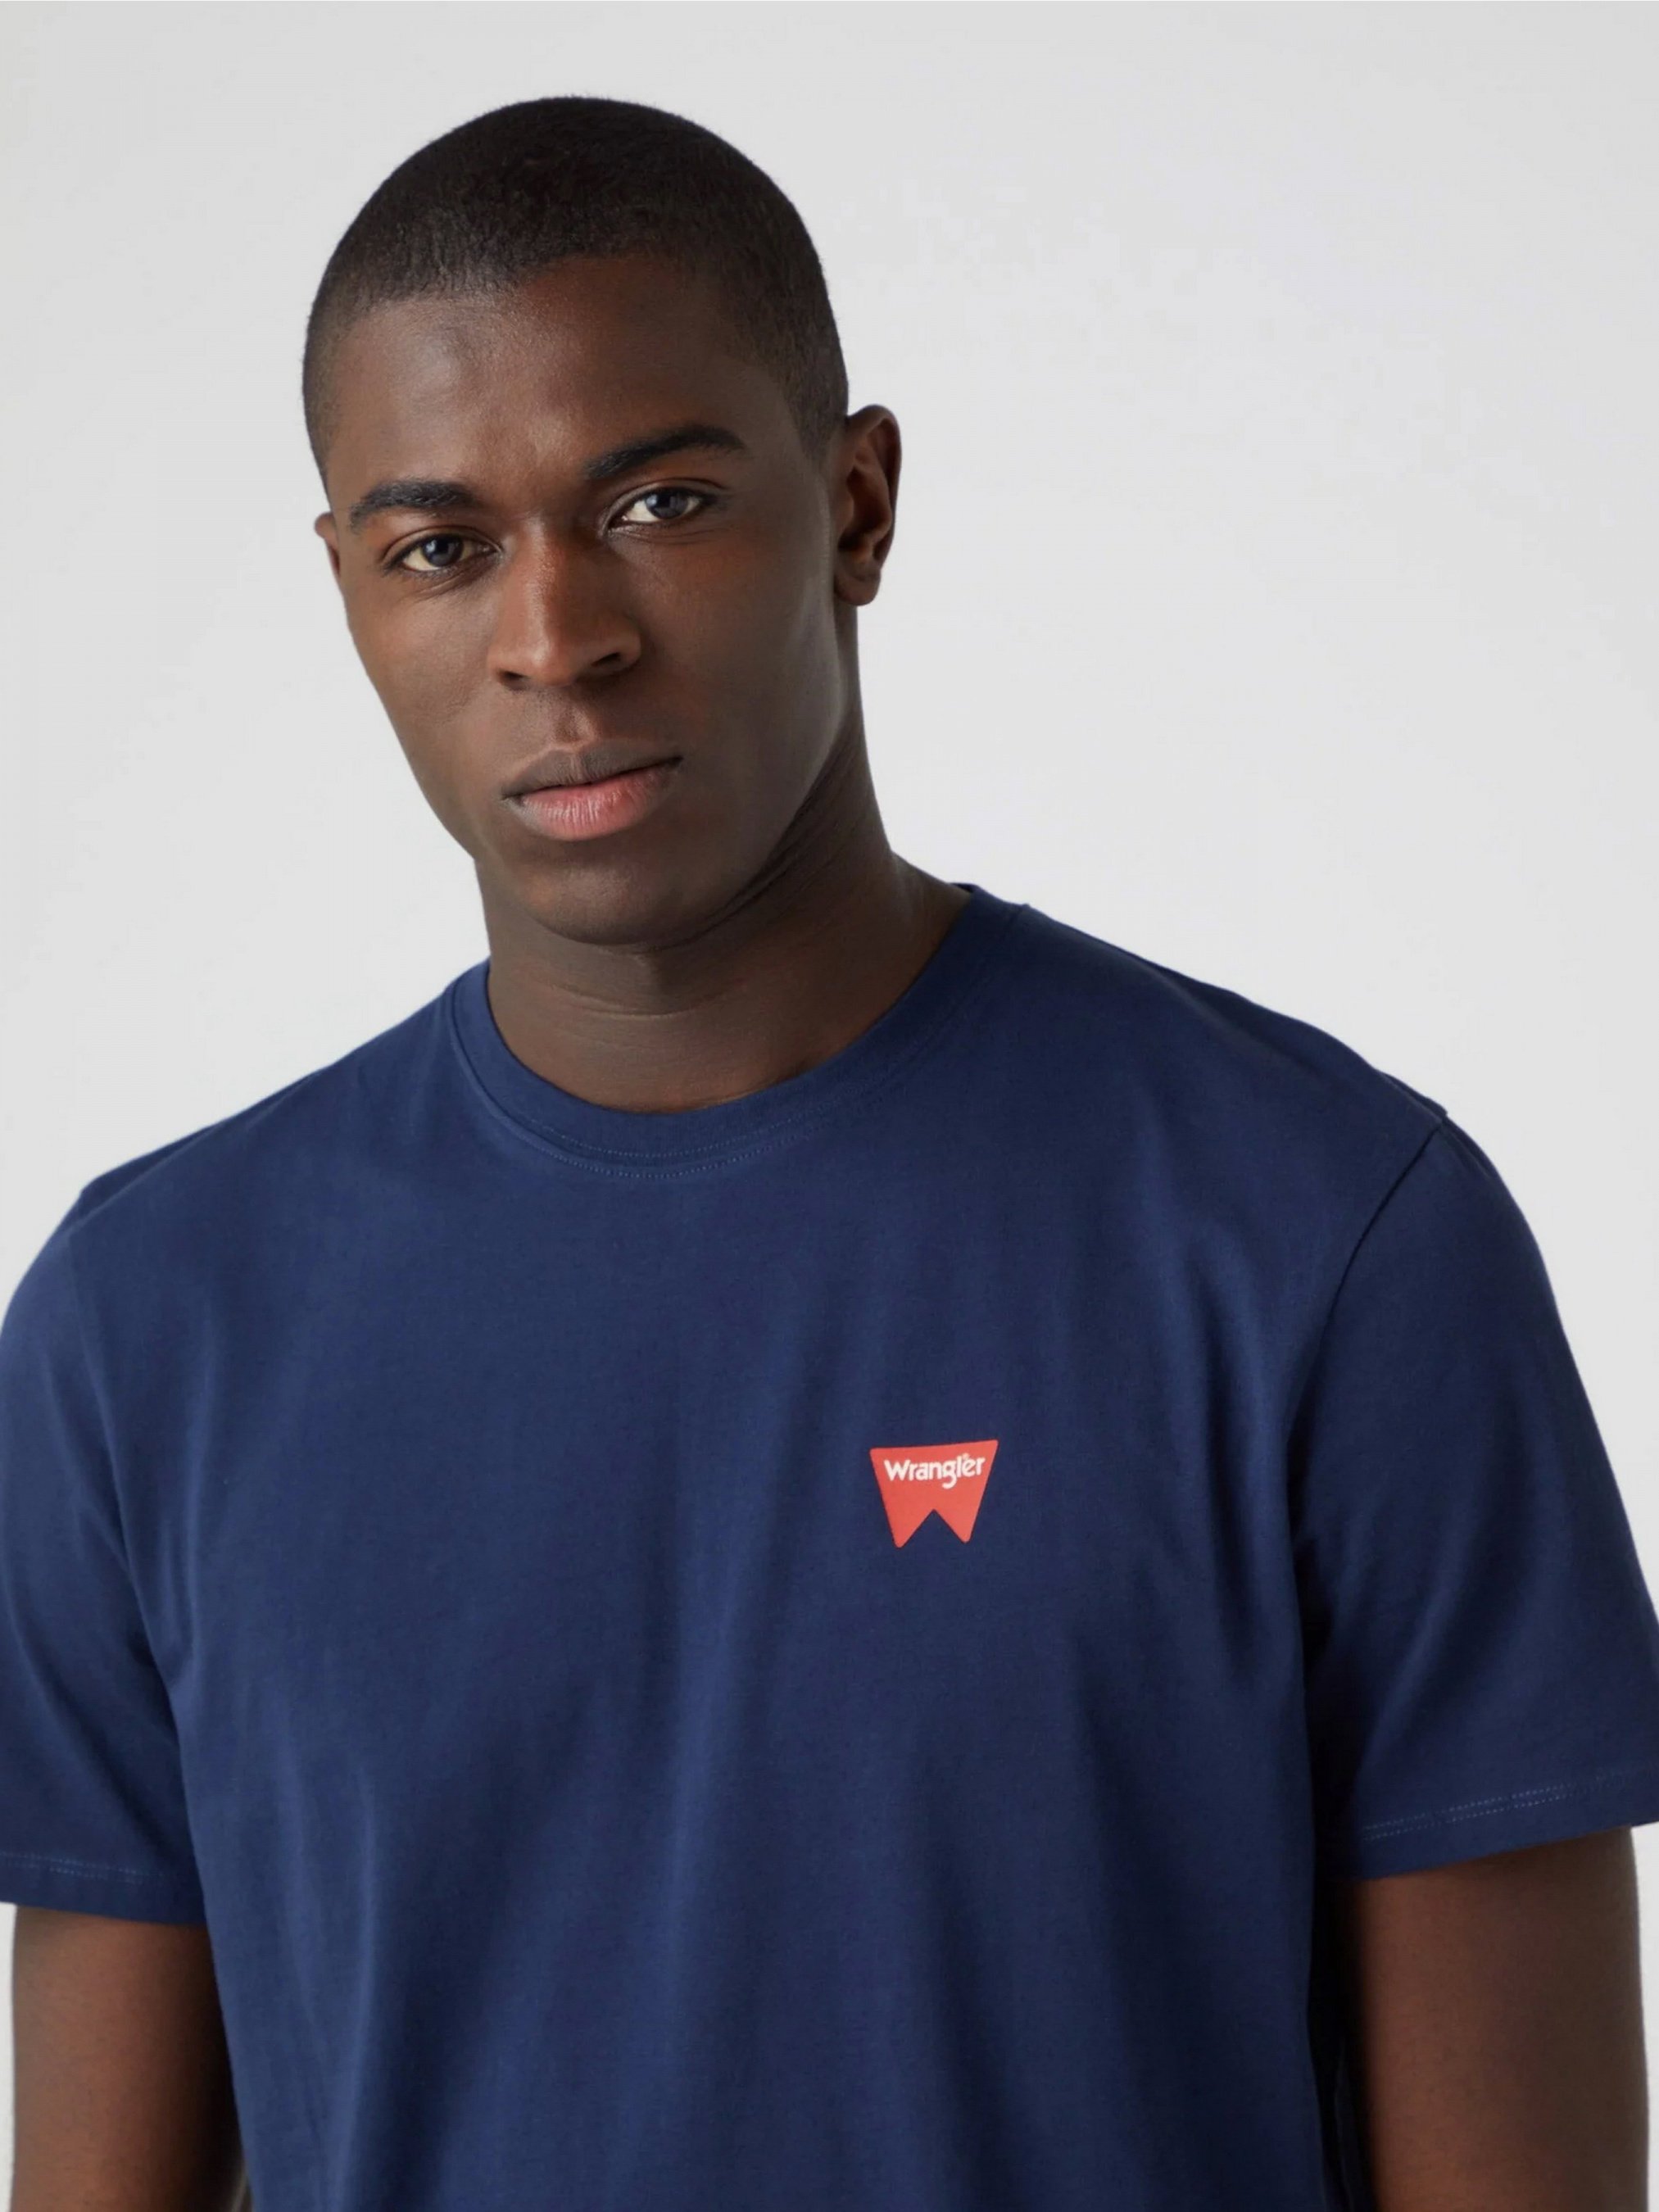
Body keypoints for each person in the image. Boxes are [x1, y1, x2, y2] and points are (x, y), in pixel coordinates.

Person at [2, 94, 1657, 2212]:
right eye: (440, 547)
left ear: (856, 505)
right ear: (347, 589)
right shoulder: (150, 1328)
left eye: (660, 501)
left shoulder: (1321, 1233)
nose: (555, 636)